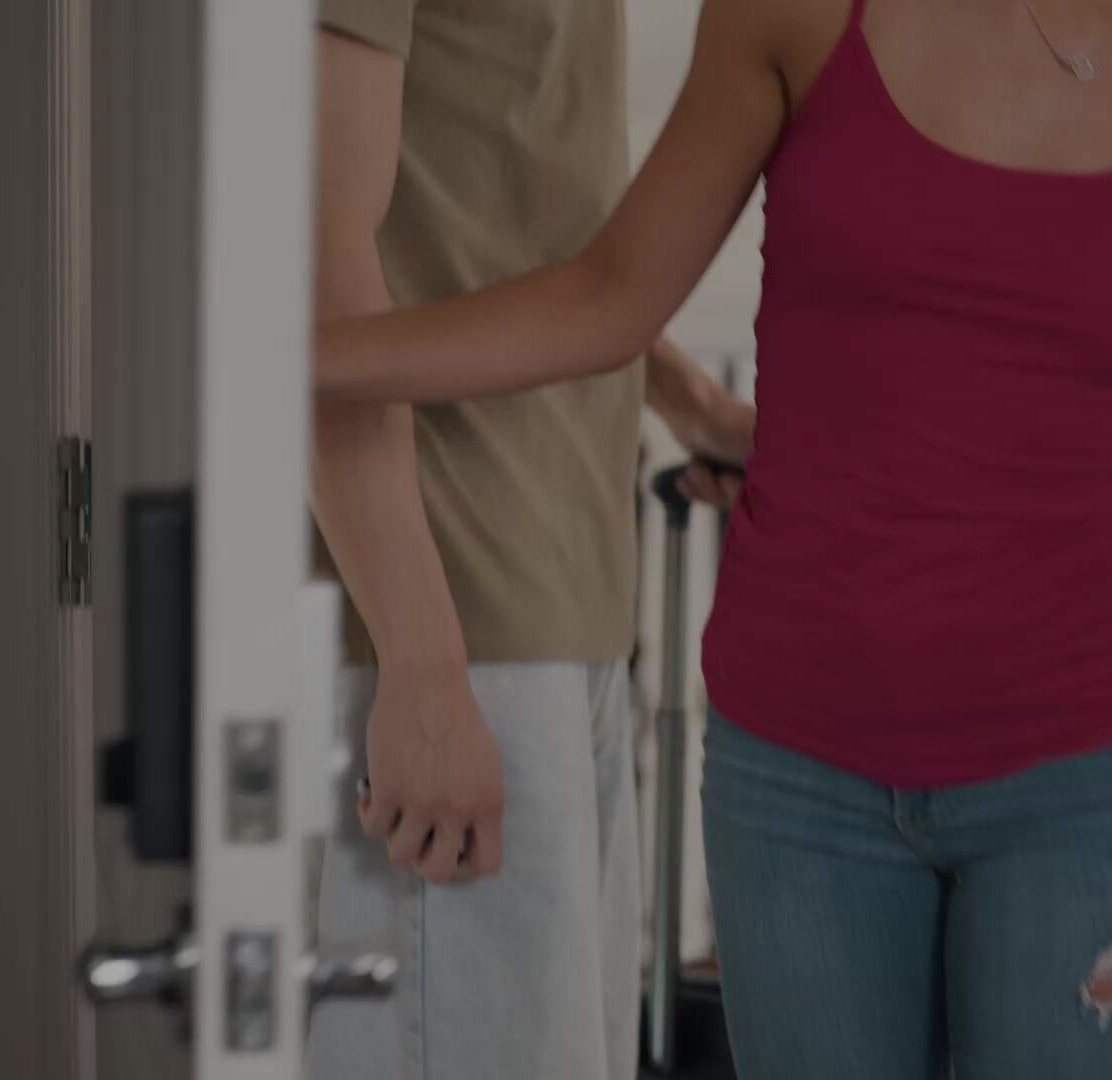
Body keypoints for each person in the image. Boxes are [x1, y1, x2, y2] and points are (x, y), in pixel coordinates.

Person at [314, 0, 1112, 1074]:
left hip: (1090, 772)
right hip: (798, 777)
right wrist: (289, 359)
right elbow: (608, 297)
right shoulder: (795, 10)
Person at [302, 2, 752, 1078]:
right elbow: (315, 260)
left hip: (566, 596)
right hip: (450, 604)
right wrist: (420, 656)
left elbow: (521, 199)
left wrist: (694, 407)